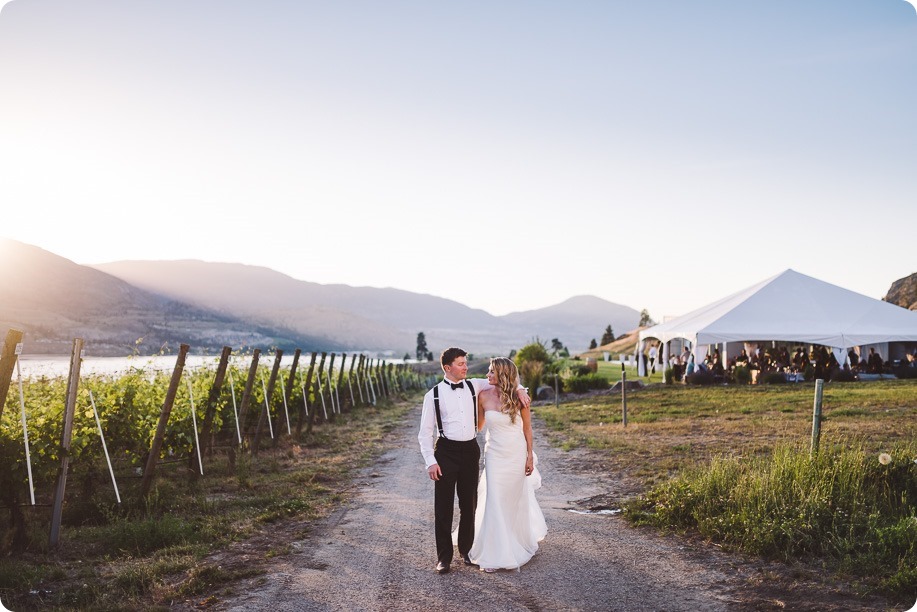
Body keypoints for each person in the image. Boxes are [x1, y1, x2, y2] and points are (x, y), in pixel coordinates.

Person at [418, 347, 530, 575]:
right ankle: (443, 558)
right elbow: (424, 432)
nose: (466, 367)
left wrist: (520, 389)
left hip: (470, 450)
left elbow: (504, 379)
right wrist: (431, 461)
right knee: (443, 506)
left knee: (469, 504)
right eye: (461, 364)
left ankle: (467, 551)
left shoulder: (475, 385)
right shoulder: (433, 395)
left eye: (465, 362)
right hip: (446, 451)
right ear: (448, 368)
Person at [468, 357, 547, 572]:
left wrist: (529, 456)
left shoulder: (520, 398)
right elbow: (478, 426)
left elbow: (527, 429)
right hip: (494, 454)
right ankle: (495, 553)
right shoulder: (482, 395)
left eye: (492, 372)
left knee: (513, 499)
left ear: (502, 374)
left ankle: (515, 539)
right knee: (494, 498)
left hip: (515, 454)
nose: (487, 375)